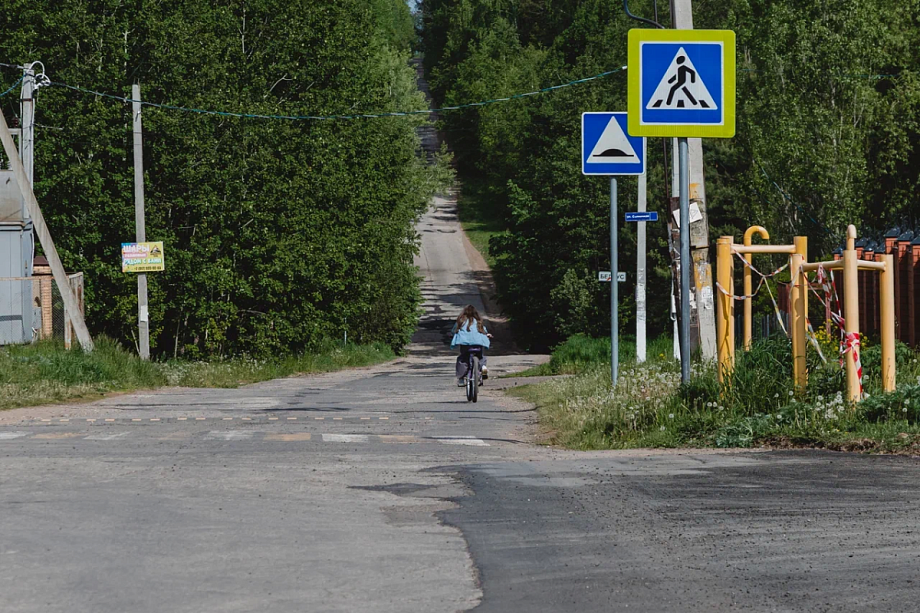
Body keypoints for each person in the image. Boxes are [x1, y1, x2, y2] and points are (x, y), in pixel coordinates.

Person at [451, 305, 492, 386]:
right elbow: (484, 331)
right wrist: (487, 335)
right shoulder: (478, 322)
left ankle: (461, 379)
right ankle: (482, 368)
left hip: (465, 345)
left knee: (463, 359)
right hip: (477, 345)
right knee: (481, 357)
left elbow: (453, 330)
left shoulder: (461, 321)